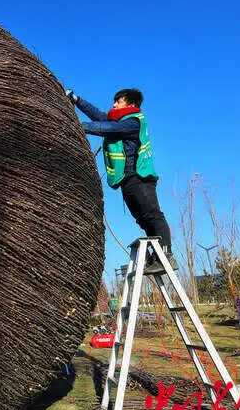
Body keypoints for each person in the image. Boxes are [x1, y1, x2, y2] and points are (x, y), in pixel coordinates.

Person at [65, 87, 178, 274]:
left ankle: (166, 255)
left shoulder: (133, 122)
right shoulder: (121, 120)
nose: (114, 104)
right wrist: (76, 100)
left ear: (131, 104)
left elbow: (108, 128)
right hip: (127, 180)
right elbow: (100, 117)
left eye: (118, 101)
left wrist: (77, 125)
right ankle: (156, 255)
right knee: (143, 219)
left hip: (140, 177)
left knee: (153, 215)